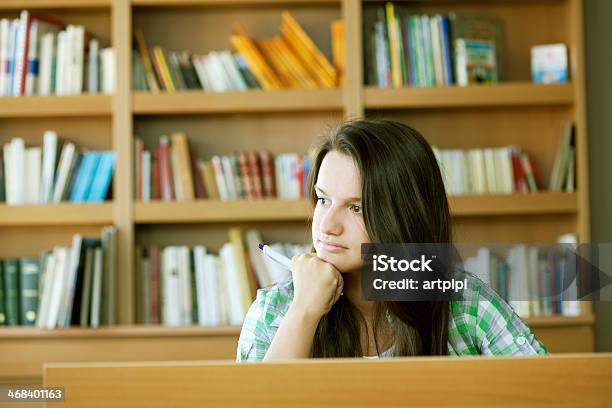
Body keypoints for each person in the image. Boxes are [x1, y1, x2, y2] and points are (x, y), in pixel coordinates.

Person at [237, 119, 547, 361]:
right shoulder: (276, 310)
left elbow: (553, 391)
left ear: (405, 215)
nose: (327, 226)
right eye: (322, 199)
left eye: (356, 207)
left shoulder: (463, 304)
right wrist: (304, 311)